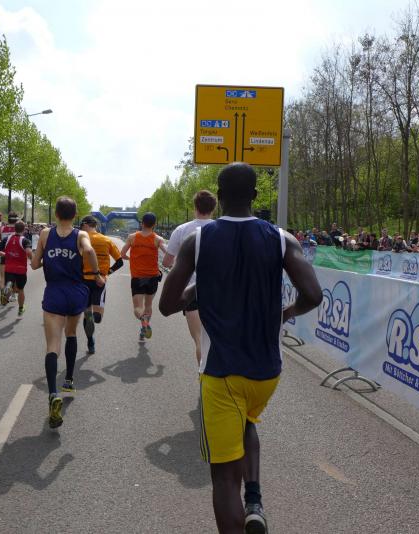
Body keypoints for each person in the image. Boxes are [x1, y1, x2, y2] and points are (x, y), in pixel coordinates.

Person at [159, 163, 322, 534]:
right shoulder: (282, 239)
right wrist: (286, 313)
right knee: (247, 421)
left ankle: (246, 503)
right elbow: (313, 295)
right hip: (267, 372)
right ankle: (255, 501)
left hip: (222, 372)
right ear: (255, 196)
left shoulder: (198, 240)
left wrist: (198, 289)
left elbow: (167, 305)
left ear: (219, 195)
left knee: (223, 480)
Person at [30, 197, 101, 429]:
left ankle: (53, 393)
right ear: (75, 214)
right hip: (76, 291)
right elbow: (89, 251)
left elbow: (34, 264)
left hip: (54, 292)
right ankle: (69, 380)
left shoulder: (45, 234)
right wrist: (97, 274)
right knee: (71, 334)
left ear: (57, 214)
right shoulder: (81, 235)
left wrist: (42, 258)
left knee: (53, 344)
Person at [162, 190, 217, 364]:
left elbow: (167, 261)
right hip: (219, 291)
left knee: (200, 339)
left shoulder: (182, 230)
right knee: (218, 337)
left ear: (195, 207)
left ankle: (203, 376)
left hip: (191, 291)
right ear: (214, 209)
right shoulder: (223, 229)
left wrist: (177, 265)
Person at [80, 215, 124, 355]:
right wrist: (107, 273)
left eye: (81, 225)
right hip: (100, 281)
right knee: (97, 317)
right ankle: (93, 319)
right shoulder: (106, 240)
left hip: (83, 280)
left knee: (87, 314)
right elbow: (120, 262)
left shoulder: (80, 239)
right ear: (96, 225)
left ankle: (90, 342)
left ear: (86, 225)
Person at [120, 212, 167, 341]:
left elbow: (122, 254)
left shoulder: (132, 237)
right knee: (148, 305)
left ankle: (143, 320)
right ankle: (143, 328)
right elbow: (168, 253)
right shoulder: (158, 239)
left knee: (138, 308)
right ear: (154, 224)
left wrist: (131, 259)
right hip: (152, 277)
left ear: (142, 223)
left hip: (137, 277)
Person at [0, 220, 33, 314]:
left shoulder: (7, 239)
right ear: (24, 229)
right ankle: (21, 308)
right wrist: (32, 260)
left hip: (9, 268)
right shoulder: (25, 240)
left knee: (10, 283)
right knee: (20, 290)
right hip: (21, 269)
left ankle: (9, 287)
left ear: (14, 229)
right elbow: (29, 252)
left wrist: (7, 255)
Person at [0, 212, 19, 295]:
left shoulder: (2, 228)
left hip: (4, 255)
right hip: (15, 256)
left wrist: (1, 246)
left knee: (2, 278)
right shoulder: (18, 229)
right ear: (16, 220)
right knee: (16, 277)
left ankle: (3, 292)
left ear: (8, 219)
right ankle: (12, 292)